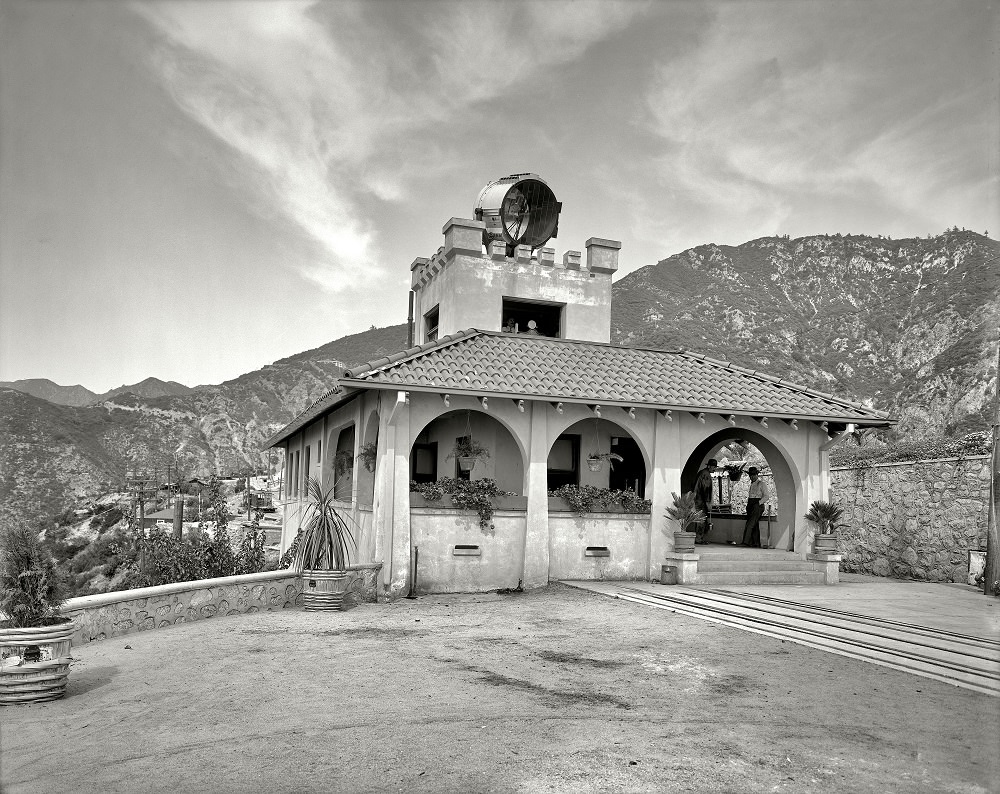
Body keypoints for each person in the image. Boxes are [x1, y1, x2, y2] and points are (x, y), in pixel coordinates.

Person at [741, 467, 772, 548]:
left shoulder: (762, 484)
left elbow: (766, 496)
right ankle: (756, 543)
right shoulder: (751, 484)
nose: (752, 477)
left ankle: (745, 542)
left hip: (758, 505)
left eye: (754, 475)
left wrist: (758, 503)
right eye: (751, 475)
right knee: (754, 524)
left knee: (750, 524)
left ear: (757, 475)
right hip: (750, 504)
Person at [693, 459, 717, 545]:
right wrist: (708, 503)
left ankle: (699, 538)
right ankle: (699, 539)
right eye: (713, 467)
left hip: (697, 500)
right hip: (701, 501)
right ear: (709, 466)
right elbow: (706, 490)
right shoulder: (706, 475)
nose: (714, 469)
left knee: (699, 520)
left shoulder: (701, 473)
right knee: (702, 520)